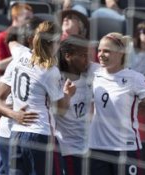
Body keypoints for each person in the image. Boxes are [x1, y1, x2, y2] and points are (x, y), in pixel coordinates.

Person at [0, 21, 75, 175]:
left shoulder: (17, 59)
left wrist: (14, 114)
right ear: (55, 42)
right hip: (41, 136)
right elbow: (61, 110)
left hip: (16, 135)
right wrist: (68, 94)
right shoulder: (49, 70)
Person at [88, 32, 145, 175]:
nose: (101, 54)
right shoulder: (93, 72)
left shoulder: (134, 78)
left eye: (106, 51)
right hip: (97, 148)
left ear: (121, 53)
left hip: (125, 149)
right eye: (99, 50)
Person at [0, 16, 44, 175]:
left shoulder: (22, 57)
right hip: (10, 134)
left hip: (17, 133)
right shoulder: (22, 59)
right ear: (30, 39)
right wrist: (14, 112)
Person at [55, 34, 100, 175]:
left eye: (89, 55)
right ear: (68, 56)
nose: (88, 60)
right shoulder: (56, 79)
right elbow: (59, 111)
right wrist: (67, 95)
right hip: (68, 149)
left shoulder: (92, 71)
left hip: (91, 147)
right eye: (83, 55)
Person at [0, 3, 33, 93]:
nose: (30, 22)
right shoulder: (1, 37)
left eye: (31, 19)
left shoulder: (30, 38)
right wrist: (21, 55)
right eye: (27, 18)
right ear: (15, 18)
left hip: (20, 75)